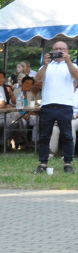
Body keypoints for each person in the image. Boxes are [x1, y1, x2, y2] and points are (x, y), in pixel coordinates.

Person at [34, 42, 78, 173]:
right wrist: (45, 64)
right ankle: (43, 163)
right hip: (48, 104)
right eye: (56, 49)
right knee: (44, 136)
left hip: (65, 105)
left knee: (67, 135)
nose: (58, 51)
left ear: (67, 51)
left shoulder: (71, 65)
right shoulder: (47, 66)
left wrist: (68, 62)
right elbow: (38, 79)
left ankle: (68, 163)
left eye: (61, 49)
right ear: (51, 52)